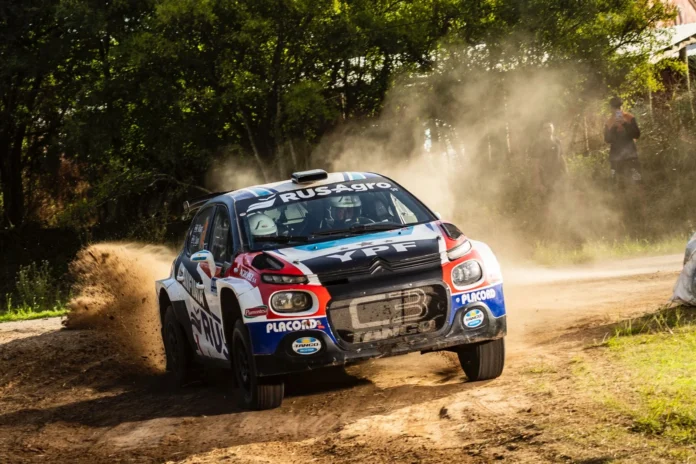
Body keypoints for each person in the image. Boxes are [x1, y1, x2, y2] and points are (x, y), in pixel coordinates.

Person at [604, 96, 642, 188]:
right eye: (615, 107)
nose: (617, 110)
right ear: (611, 108)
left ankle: (639, 195)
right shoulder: (609, 122)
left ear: (622, 107)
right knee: (617, 182)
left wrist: (625, 124)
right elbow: (607, 139)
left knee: (637, 180)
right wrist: (614, 127)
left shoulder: (629, 118)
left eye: (619, 107)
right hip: (616, 156)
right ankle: (619, 196)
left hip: (630, 154)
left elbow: (636, 134)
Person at [531, 122, 567, 197]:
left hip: (558, 176)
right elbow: (535, 164)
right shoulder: (538, 144)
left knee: (560, 198)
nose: (548, 130)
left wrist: (566, 172)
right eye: (545, 128)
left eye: (549, 127)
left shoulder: (557, 141)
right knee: (548, 199)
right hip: (545, 177)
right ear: (542, 130)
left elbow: (561, 157)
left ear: (553, 129)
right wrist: (538, 182)